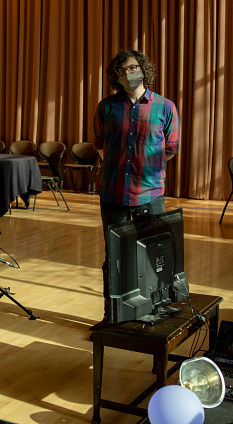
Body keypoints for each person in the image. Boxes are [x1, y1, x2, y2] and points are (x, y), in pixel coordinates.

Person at [93, 50, 180, 312]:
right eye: (122, 71)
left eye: (133, 68)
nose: (128, 74)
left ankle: (154, 310)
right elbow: (100, 145)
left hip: (150, 194)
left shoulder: (166, 107)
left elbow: (171, 148)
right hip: (112, 192)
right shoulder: (106, 106)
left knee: (155, 255)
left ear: (144, 70)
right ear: (116, 77)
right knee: (115, 257)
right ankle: (114, 313)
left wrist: (146, 168)